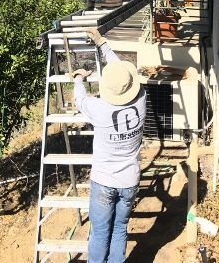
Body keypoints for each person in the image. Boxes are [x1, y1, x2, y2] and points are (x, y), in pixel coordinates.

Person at [71, 28, 146, 263]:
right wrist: (102, 43)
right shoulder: (141, 98)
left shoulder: (100, 109)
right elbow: (122, 73)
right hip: (129, 180)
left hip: (104, 181)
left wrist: (78, 78)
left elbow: (80, 100)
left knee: (100, 232)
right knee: (120, 228)